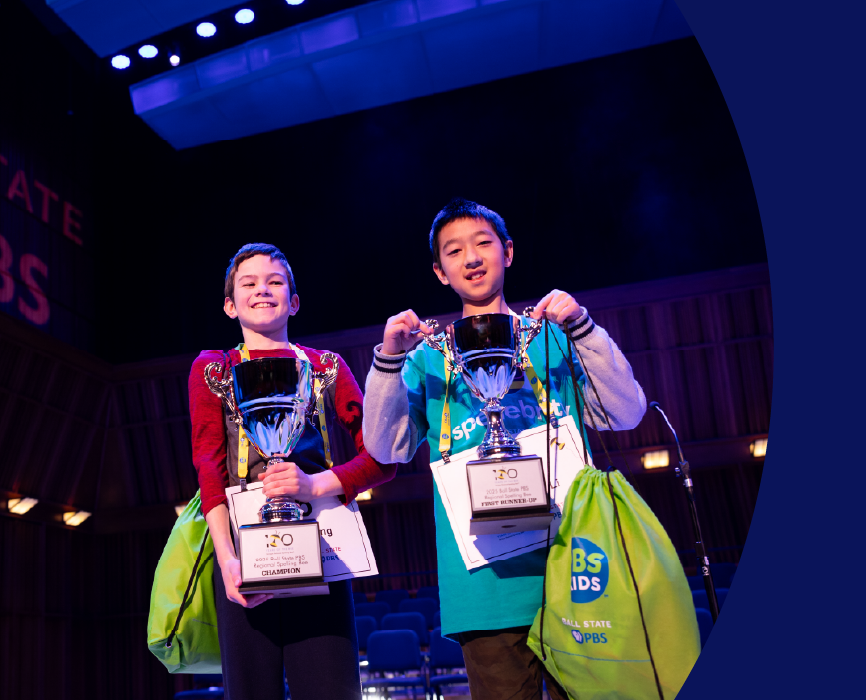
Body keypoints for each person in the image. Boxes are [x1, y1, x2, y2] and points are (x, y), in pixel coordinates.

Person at [363, 199, 647, 700]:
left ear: (508, 252)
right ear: (440, 272)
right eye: (454, 251)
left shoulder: (552, 338)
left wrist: (582, 326)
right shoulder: (428, 356)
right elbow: (386, 448)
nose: (470, 257)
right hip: (484, 588)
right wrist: (388, 359)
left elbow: (626, 413)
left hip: (574, 571)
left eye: (483, 243)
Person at [188, 243, 398, 700]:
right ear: (229, 305)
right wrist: (226, 559)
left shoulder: (325, 367)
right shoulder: (212, 369)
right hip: (241, 557)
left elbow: (383, 457)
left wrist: (314, 484)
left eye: (275, 282)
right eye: (248, 283)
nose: (262, 290)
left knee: (331, 692)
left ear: (294, 301)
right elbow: (209, 466)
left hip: (321, 550)